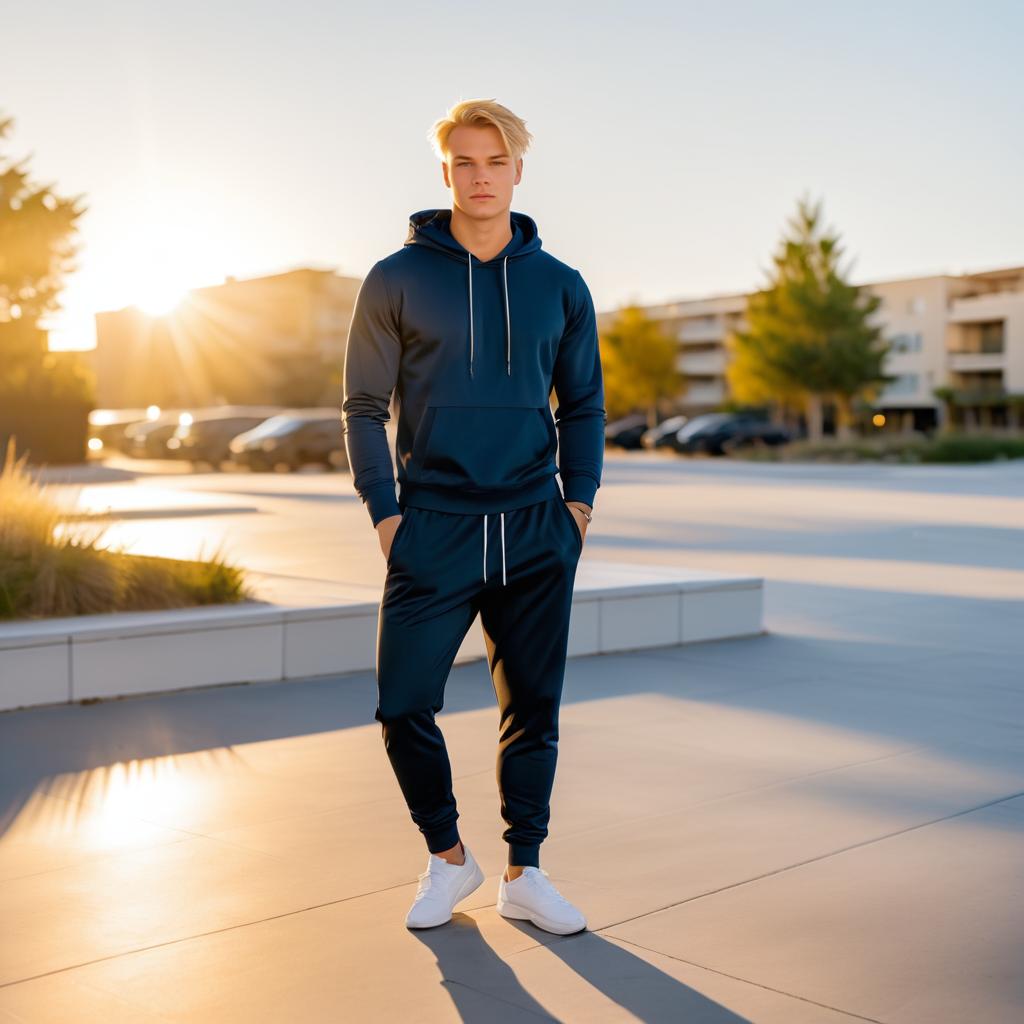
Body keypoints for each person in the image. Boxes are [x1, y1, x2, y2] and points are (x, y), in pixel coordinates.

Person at [341, 98, 605, 934]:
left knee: (533, 709)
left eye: (495, 161)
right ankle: (449, 861)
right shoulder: (397, 277)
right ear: (444, 172)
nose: (480, 176)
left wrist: (578, 507)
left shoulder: (560, 285)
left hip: (535, 526)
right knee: (402, 704)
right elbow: (361, 407)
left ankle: (526, 871)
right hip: (435, 528)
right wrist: (388, 516)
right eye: (464, 162)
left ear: (518, 170)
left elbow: (586, 404)